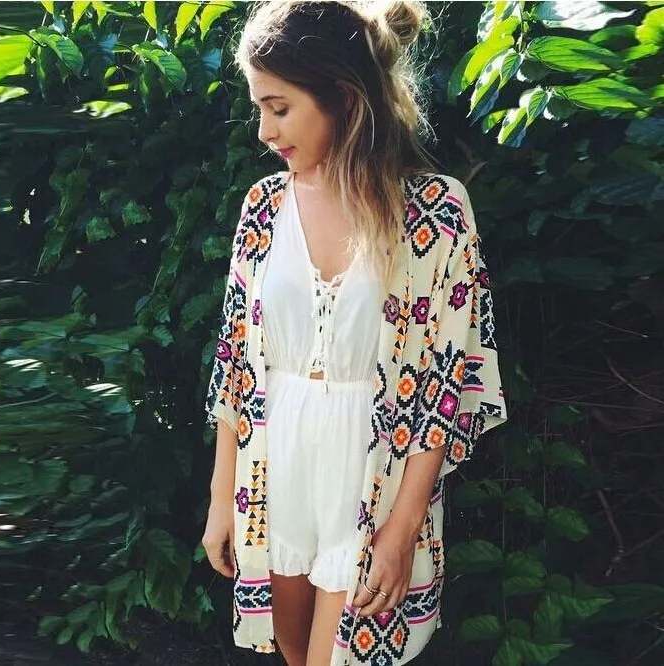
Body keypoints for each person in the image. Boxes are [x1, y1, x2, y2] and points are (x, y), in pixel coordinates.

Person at [202, 2, 508, 666]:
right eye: (259, 109)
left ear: (342, 97)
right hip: (273, 469)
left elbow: (446, 385)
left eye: (279, 108)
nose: (264, 131)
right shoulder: (263, 208)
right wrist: (222, 497)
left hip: (372, 475)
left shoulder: (435, 212)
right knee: (293, 652)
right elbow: (236, 365)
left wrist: (402, 529)